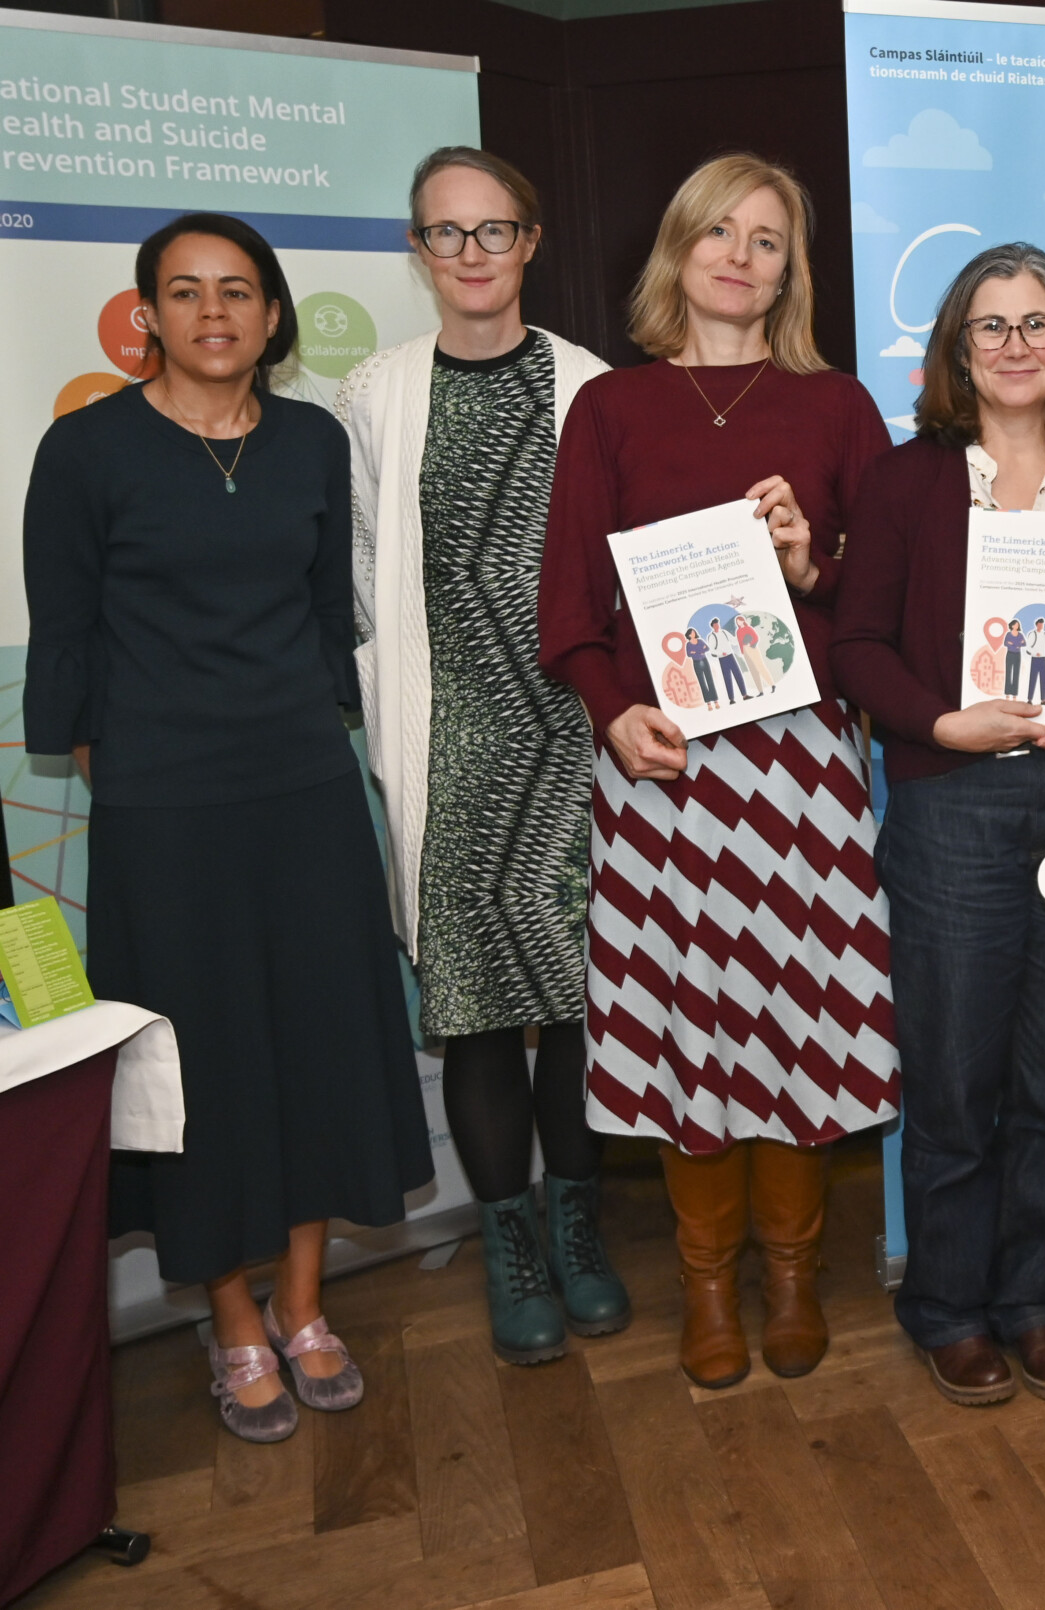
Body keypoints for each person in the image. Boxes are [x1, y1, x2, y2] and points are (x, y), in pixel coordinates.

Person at [24, 213, 431, 1442]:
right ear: (148, 313)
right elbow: (68, 635)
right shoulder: (86, 448)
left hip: (305, 790)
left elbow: (326, 618)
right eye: (188, 291)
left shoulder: (310, 440)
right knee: (198, 1066)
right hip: (163, 811)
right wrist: (140, 771)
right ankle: (233, 1314)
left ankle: (302, 1301)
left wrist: (308, 729)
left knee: (317, 1044)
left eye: (239, 290)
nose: (215, 312)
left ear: (272, 313)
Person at [539, 153, 897, 1391]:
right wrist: (613, 717)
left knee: (798, 1015)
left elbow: (886, 602)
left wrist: (809, 564)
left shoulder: (837, 405)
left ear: (791, 271)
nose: (741, 257)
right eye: (719, 232)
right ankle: (706, 1279)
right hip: (664, 766)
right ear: (678, 249)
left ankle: (792, 1269)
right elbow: (567, 606)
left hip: (801, 770)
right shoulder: (612, 407)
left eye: (768, 240)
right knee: (692, 1023)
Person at [837, 241, 1045, 1407]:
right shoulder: (905, 481)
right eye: (993, 325)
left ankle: (1033, 1299)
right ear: (958, 348)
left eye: (1039, 324)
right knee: (952, 1079)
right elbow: (856, 645)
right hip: (950, 806)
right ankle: (946, 1306)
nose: (1017, 344)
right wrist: (943, 720)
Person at [337, 147, 626, 1365]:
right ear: (417, 249)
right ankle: (509, 1243)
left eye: (492, 229)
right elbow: (362, 572)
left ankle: (579, 1228)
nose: (470, 253)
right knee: (475, 1016)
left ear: (530, 240)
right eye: (445, 232)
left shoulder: (591, 384)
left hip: (574, 736)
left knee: (577, 1006)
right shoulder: (376, 391)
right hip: (451, 740)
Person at [735, 613, 772, 694]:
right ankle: (760, 691)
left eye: (740, 621)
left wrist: (751, 644)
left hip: (753, 648)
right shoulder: (738, 631)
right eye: (737, 622)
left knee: (760, 666)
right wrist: (742, 651)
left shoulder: (748, 628)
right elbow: (739, 642)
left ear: (743, 621)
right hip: (745, 650)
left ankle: (771, 684)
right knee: (753, 670)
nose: (739, 622)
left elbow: (756, 637)